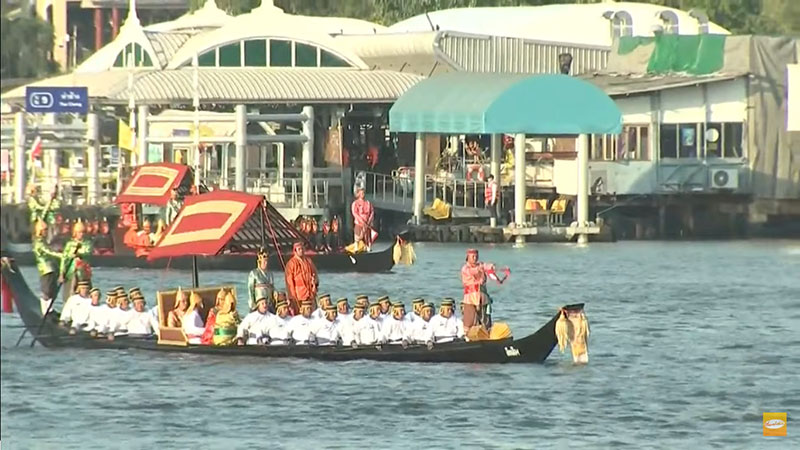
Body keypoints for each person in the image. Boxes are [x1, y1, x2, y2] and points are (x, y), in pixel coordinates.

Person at [461, 248, 508, 333]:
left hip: (483, 297)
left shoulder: (481, 265)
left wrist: (495, 267)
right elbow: (473, 272)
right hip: (470, 298)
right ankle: (468, 336)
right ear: (468, 257)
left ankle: (486, 333)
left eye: (476, 256)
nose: (475, 258)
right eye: (473, 256)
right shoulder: (465, 268)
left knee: (486, 320)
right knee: (469, 321)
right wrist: (481, 268)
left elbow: (488, 266)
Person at [59, 220, 93, 303]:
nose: (81, 234)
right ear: (75, 233)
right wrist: (62, 273)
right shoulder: (69, 244)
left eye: (83, 232)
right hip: (70, 272)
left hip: (83, 272)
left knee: (85, 293)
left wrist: (78, 254)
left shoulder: (87, 243)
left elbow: (87, 252)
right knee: (69, 293)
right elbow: (64, 259)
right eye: (79, 232)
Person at [32, 220, 63, 314]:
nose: (46, 232)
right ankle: (45, 310)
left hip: (51, 268)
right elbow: (48, 251)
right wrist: (62, 255)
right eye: (44, 230)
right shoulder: (39, 242)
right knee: (47, 290)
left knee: (52, 290)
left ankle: (49, 309)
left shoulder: (44, 241)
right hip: (46, 269)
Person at [284, 242, 318, 310]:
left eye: (302, 248)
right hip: (299, 295)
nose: (301, 250)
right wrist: (292, 296)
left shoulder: (309, 261)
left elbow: (315, 273)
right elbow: (289, 282)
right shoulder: (291, 264)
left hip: (310, 294)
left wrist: (315, 283)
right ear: (295, 251)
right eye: (299, 249)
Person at [351, 187, 375, 251]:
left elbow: (372, 211)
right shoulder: (355, 203)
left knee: (367, 235)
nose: (363, 194)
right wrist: (361, 221)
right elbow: (355, 213)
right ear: (358, 194)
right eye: (361, 193)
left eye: (363, 193)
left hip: (367, 222)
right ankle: (356, 246)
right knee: (357, 235)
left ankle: (368, 246)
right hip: (359, 223)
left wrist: (369, 220)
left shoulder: (368, 203)